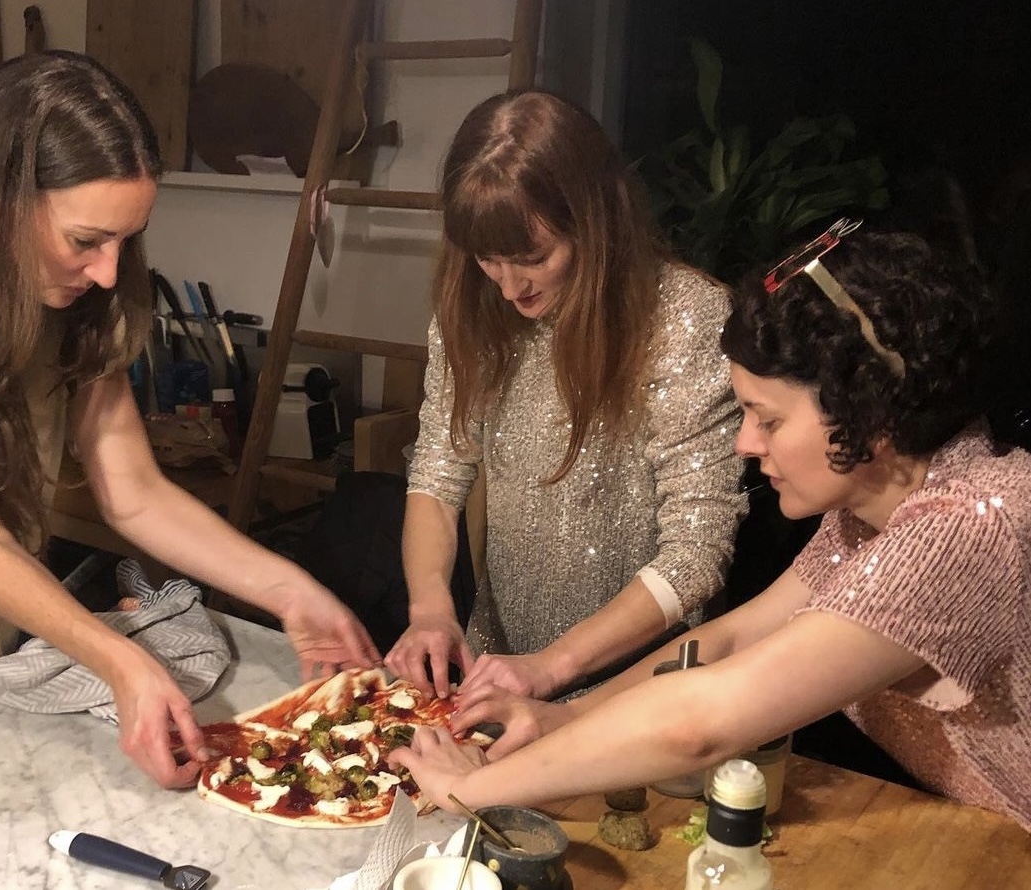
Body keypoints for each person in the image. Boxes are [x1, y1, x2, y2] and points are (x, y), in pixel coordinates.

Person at [390, 222, 1031, 832]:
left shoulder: (958, 527)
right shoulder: (878, 504)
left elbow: (702, 722)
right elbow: (729, 640)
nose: (745, 443)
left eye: (768, 419)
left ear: (870, 414)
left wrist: (468, 790)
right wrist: (560, 716)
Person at [0, 51, 379, 787]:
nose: (108, 271)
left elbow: (133, 491)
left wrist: (289, 589)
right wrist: (120, 661)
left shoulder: (79, 299)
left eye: (126, 240)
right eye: (85, 240)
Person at [383, 89, 745, 701]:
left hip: (642, 684)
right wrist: (431, 610)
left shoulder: (682, 315)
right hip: (502, 667)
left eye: (532, 257)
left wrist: (555, 664)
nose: (509, 289)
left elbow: (698, 551)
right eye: (487, 261)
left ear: (595, 222)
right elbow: (439, 473)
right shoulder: (470, 309)